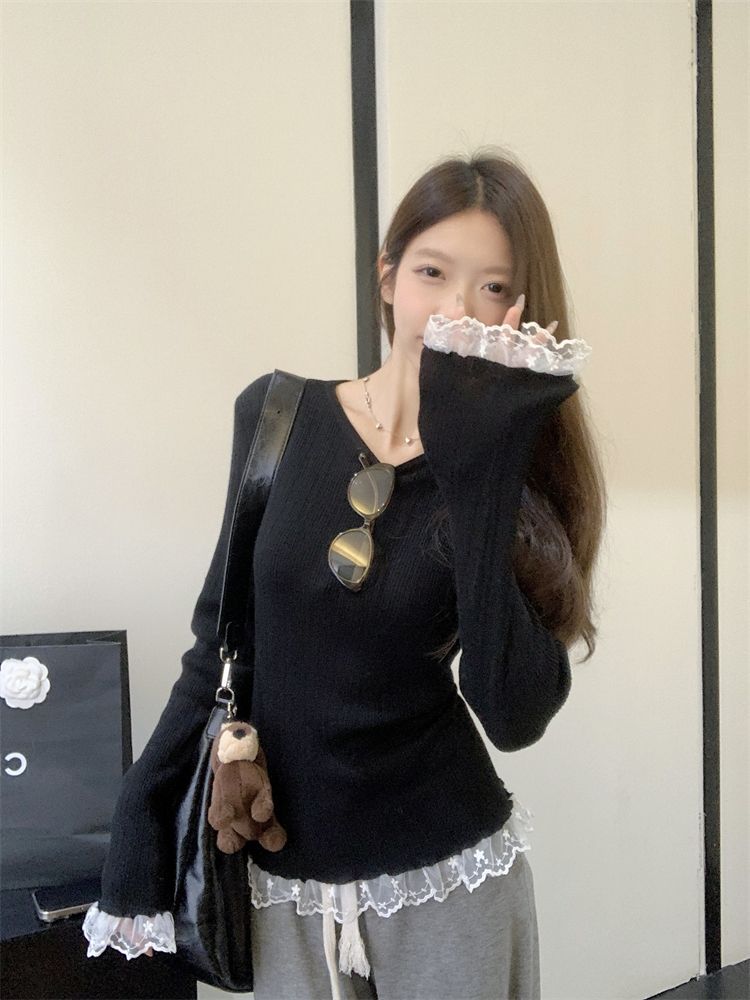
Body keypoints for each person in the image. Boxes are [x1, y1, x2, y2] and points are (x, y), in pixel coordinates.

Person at [82, 148, 606, 999]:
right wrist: (141, 815)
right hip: (284, 881)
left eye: (493, 287)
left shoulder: (504, 471)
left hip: (447, 879)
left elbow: (512, 714)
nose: (454, 310)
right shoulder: (276, 415)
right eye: (433, 272)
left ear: (519, 311)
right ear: (388, 276)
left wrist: (480, 467)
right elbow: (221, 639)